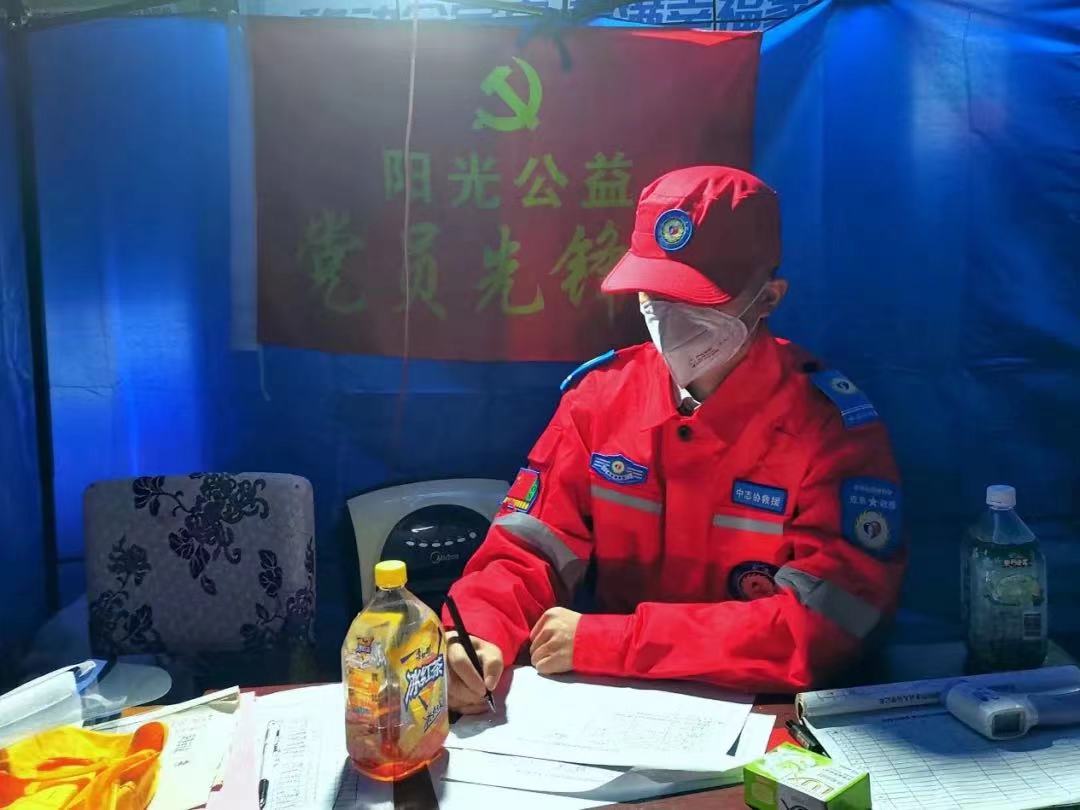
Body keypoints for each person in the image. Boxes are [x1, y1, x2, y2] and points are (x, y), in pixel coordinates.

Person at [443, 166, 906, 714]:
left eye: (698, 299)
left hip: (770, 712)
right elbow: (527, 551)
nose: (668, 316)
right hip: (615, 708)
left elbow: (822, 626)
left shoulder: (831, 430)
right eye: (655, 293)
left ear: (767, 298)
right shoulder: (601, 398)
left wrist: (614, 643)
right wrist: (476, 632)